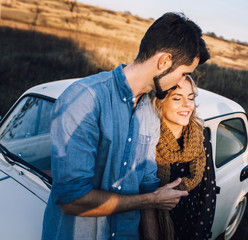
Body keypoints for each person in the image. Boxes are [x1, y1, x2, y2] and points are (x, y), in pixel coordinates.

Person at [42, 12, 210, 240]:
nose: (181, 83)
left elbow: (147, 184)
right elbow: (71, 199)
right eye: (184, 74)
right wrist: (151, 200)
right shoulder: (85, 98)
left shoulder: (151, 112)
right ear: (164, 62)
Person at [154, 75, 217, 240]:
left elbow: (208, 191)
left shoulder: (200, 136)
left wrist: (199, 235)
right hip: (154, 226)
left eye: (191, 98)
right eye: (177, 98)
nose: (187, 105)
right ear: (159, 102)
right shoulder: (148, 139)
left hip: (191, 226)